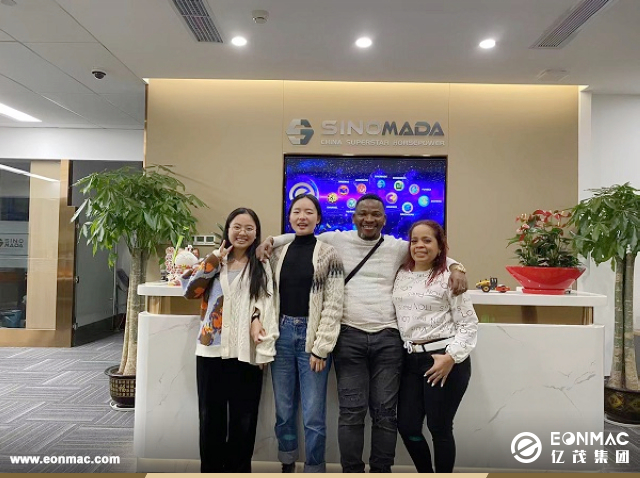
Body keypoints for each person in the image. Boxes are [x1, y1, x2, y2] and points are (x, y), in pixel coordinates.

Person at [258, 193, 468, 473]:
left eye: (376, 214)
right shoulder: (336, 240)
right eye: (363, 214)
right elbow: (301, 235)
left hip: (388, 339)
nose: (369, 219)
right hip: (349, 337)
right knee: (351, 412)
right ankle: (352, 471)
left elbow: (430, 250)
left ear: (385, 218)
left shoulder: (397, 247)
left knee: (385, 413)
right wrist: (271, 241)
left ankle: (381, 470)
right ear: (354, 217)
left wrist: (457, 267)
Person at [181, 208, 278, 473]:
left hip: (246, 353)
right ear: (227, 230)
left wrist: (259, 330)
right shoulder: (215, 261)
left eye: (249, 228)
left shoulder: (262, 264)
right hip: (210, 353)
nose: (242, 233)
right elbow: (190, 291)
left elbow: (266, 303)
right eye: (237, 227)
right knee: (210, 421)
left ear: (256, 233)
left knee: (243, 422)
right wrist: (213, 260)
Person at [393, 220, 478, 473]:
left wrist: (451, 357)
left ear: (440, 246)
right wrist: (457, 265)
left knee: (439, 428)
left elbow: (468, 324)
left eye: (427, 240)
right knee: (408, 427)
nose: (419, 245)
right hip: (410, 360)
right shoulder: (401, 273)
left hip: (443, 359)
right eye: (414, 240)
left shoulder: (449, 278)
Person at [269, 193, 344, 473]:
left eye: (309, 212)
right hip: (281, 336)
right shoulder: (277, 253)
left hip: (312, 340)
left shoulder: (328, 254)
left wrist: (321, 347)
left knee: (313, 415)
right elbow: (266, 297)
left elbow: (334, 304)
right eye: (297, 211)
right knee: (284, 409)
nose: (302, 217)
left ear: (318, 218)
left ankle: (314, 468)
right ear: (289, 217)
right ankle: (287, 462)